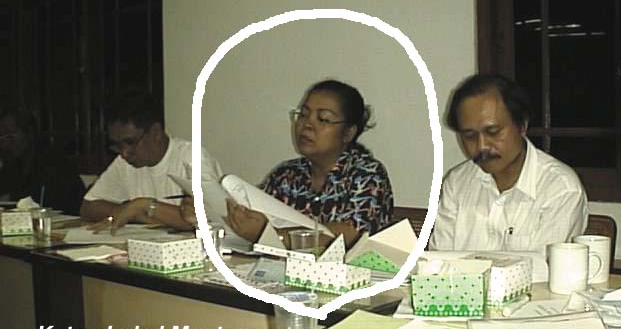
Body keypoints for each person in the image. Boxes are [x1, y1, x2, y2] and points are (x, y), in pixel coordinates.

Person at [188, 80, 394, 246]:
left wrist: (269, 235)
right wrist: (211, 214)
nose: (307, 124)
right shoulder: (286, 174)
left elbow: (348, 236)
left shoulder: (368, 174)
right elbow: (251, 216)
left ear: (348, 132)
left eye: (323, 119)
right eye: (303, 115)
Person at [429, 74, 588, 255]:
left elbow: (543, 268)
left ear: (522, 125)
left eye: (493, 132)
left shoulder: (560, 188)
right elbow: (438, 261)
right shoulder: (457, 183)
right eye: (469, 136)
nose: (482, 146)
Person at [80, 89, 222, 232]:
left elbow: (210, 219)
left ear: (156, 133)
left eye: (131, 142)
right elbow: (88, 207)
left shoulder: (192, 158)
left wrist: (145, 206)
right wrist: (135, 213)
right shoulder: (124, 163)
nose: (124, 153)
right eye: (117, 145)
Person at [0, 108, 85, 215]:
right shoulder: (11, 165)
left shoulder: (55, 165)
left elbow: (56, 205)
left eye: (10, 136)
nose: (5, 143)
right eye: (1, 137)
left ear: (30, 133)